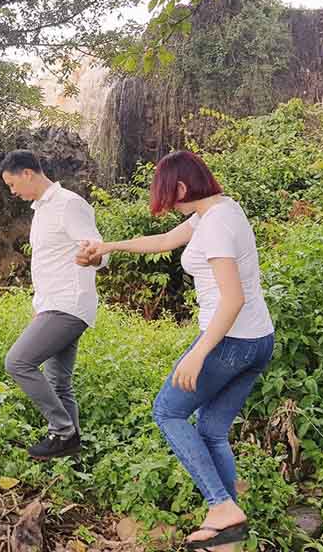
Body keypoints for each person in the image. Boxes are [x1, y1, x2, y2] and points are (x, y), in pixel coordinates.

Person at [78, 150, 274, 551]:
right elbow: (165, 241)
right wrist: (107, 246)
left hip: (230, 341)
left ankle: (220, 504)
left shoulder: (215, 225)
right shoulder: (219, 210)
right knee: (212, 431)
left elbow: (233, 298)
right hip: (258, 340)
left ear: (182, 187)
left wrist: (198, 353)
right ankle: (227, 528)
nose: (168, 206)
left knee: (167, 412)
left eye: (169, 197)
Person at [0, 149, 108, 460]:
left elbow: (100, 252)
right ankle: (72, 456)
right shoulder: (41, 211)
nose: (12, 192)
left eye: (12, 184)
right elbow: (48, 264)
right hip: (53, 305)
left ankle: (62, 431)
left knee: (17, 362)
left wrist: (93, 257)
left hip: (69, 303)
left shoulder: (69, 204)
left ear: (27, 174)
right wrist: (40, 307)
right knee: (59, 382)